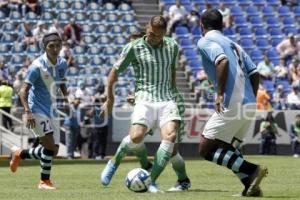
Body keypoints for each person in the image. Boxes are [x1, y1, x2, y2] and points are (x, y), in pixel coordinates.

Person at [100, 16, 190, 193]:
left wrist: (174, 96)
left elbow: (171, 72)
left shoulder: (172, 46)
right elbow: (113, 74)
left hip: (167, 99)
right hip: (145, 99)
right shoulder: (134, 47)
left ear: (164, 34)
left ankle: (152, 181)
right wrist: (109, 100)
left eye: (157, 35)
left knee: (170, 139)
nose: (152, 38)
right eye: (150, 33)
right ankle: (113, 162)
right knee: (136, 137)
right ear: (147, 28)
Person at [197, 9, 268, 197]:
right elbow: (254, 72)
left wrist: (219, 94)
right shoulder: (234, 44)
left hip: (231, 101)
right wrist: (249, 99)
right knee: (228, 148)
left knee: (206, 149)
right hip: (249, 103)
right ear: (223, 24)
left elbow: (222, 61)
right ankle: (250, 186)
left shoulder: (205, 41)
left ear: (201, 26)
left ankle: (251, 170)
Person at [9, 32, 68, 190]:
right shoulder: (37, 67)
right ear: (44, 47)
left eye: (58, 45)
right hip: (36, 108)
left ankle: (20, 153)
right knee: (48, 145)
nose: (55, 49)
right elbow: (23, 91)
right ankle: (44, 181)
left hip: (52, 109)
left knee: (53, 151)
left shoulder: (62, 63)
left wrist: (67, 100)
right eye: (51, 46)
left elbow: (62, 82)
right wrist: (27, 111)